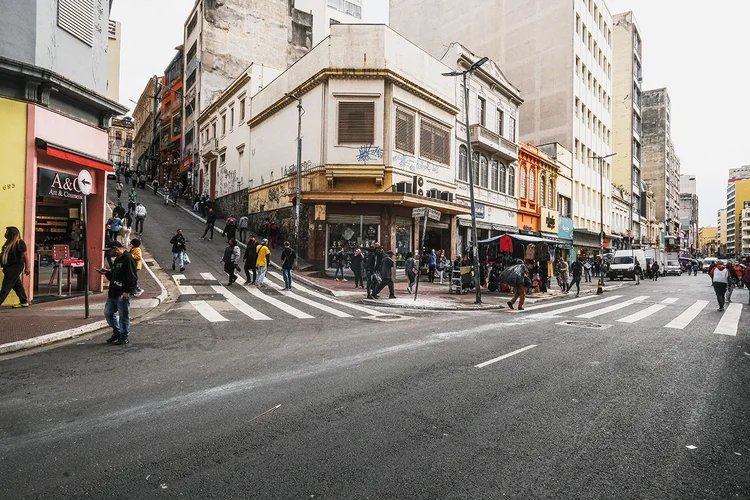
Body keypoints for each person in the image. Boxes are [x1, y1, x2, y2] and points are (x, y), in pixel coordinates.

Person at [98, 241, 137, 345]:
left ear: (115, 249)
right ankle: (117, 331)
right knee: (108, 313)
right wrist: (106, 273)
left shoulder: (128, 259)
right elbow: (114, 276)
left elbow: (132, 277)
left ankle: (124, 336)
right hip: (114, 292)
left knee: (123, 315)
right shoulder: (117, 260)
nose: (108, 253)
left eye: (109, 251)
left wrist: (127, 291)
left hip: (123, 292)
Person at [0, 227, 31, 308]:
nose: (5, 233)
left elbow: (25, 256)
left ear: (12, 233)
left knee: (6, 286)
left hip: (15, 267)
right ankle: (24, 301)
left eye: (7, 232)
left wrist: (27, 267)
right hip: (8, 267)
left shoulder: (19, 243)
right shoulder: (8, 243)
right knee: (17, 285)